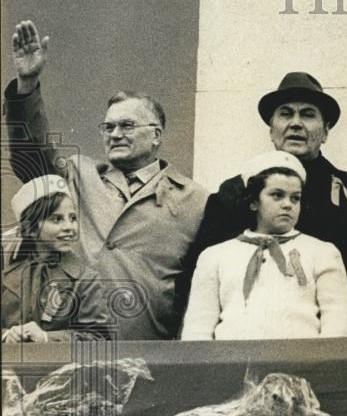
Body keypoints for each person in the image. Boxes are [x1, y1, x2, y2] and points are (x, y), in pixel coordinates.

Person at [4, 20, 208, 340]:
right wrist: (27, 85)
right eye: (108, 127)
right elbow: (30, 156)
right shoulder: (77, 174)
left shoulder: (194, 199)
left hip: (148, 347)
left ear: (156, 135)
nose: (115, 135)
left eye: (126, 126)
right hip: (71, 344)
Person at [187, 72, 347, 299]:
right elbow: (201, 276)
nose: (295, 123)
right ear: (271, 130)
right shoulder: (234, 192)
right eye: (285, 114)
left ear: (326, 131)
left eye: (308, 115)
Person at [181, 151, 347, 340]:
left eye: (295, 198)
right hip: (232, 364)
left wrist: (320, 363)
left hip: (300, 364)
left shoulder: (322, 252)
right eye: (277, 195)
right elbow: (198, 325)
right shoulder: (215, 256)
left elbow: (337, 317)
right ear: (254, 202)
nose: (288, 204)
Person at [1, 176, 85, 342]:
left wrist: (47, 337)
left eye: (73, 218)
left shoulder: (85, 279)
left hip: (62, 365)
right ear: (29, 229)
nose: (69, 227)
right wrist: (6, 335)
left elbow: (99, 336)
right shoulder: (5, 273)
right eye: (56, 219)